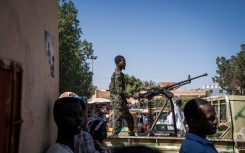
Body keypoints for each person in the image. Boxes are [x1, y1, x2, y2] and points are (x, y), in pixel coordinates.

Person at [109, 55, 138, 136]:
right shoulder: (117, 74)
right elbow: (119, 91)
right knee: (118, 119)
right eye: (123, 61)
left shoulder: (120, 74)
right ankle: (115, 138)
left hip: (121, 101)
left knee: (129, 118)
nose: (125, 63)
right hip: (118, 101)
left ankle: (131, 134)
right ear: (118, 63)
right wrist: (132, 95)